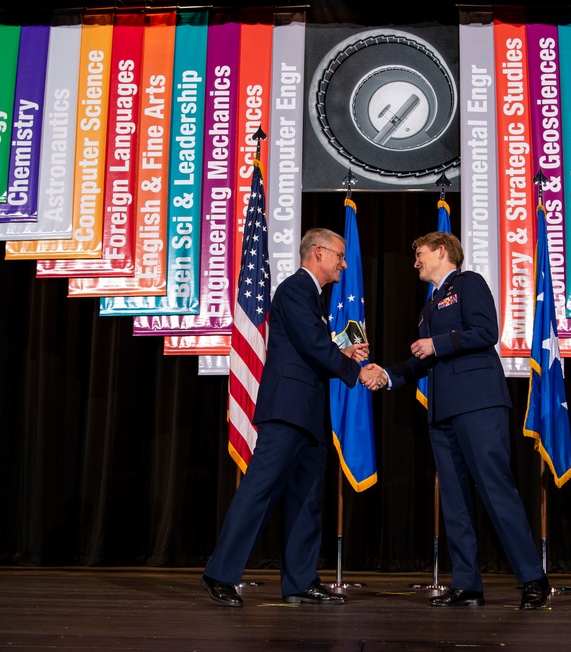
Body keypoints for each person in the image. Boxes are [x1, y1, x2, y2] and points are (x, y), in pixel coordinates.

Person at [360, 231, 550, 610]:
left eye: (421, 254)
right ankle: (467, 584)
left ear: (442, 251)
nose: (415, 262)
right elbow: (422, 359)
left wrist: (438, 343)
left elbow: (486, 332)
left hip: (478, 404)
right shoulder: (429, 306)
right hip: (442, 411)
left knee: (496, 489)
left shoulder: (469, 284)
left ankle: (533, 579)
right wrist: (388, 375)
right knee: (455, 500)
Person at [200, 228, 369, 607]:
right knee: (259, 489)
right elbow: (311, 344)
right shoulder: (295, 289)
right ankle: (219, 574)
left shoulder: (312, 296)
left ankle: (300, 581)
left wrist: (342, 350)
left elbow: (308, 346)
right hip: (287, 411)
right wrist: (357, 371)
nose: (344, 263)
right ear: (319, 253)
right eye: (340, 256)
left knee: (306, 498)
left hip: (307, 411)